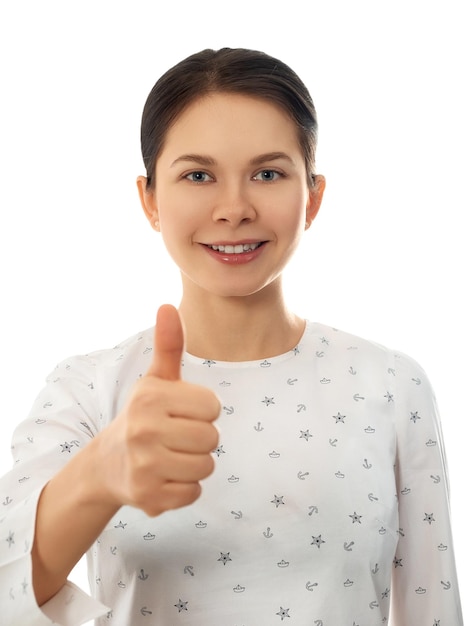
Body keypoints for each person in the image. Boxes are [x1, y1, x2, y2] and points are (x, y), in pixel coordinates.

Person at [0, 47, 463, 625]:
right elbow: (6, 592)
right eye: (198, 175)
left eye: (268, 173)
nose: (235, 208)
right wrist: (98, 473)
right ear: (149, 199)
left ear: (313, 196)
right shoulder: (87, 389)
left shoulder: (392, 384)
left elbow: (434, 611)